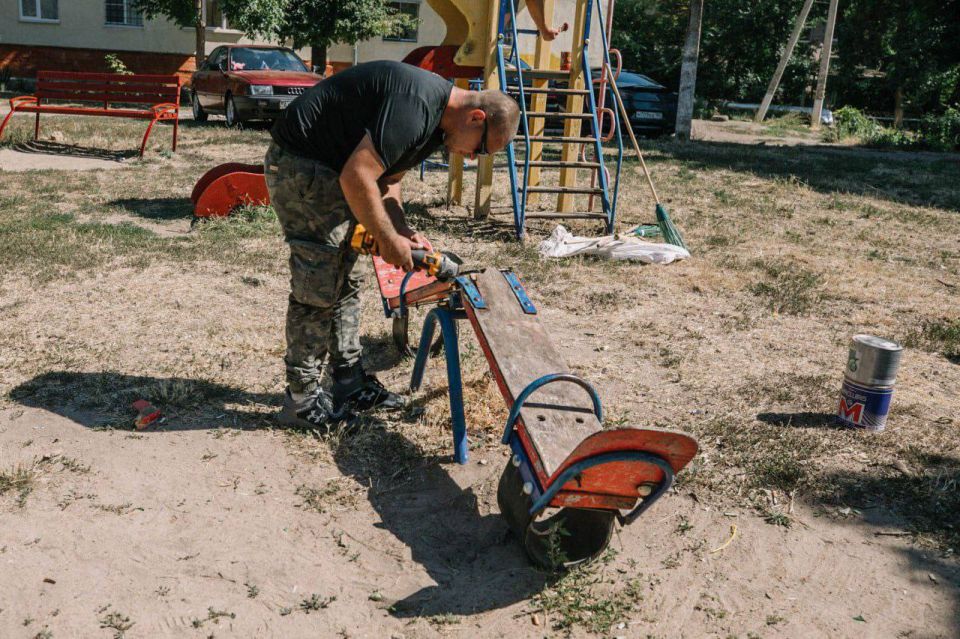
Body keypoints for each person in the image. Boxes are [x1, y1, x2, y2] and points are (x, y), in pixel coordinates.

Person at [265, 60, 521, 429]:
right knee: (319, 284)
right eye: (480, 150)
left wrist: (399, 228)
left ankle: (347, 382)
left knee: (347, 281)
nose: (469, 158)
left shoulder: (441, 126)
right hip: (304, 164)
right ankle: (301, 400)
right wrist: (386, 240)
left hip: (335, 170)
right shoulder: (416, 105)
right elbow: (358, 175)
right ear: (476, 118)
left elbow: (389, 177)